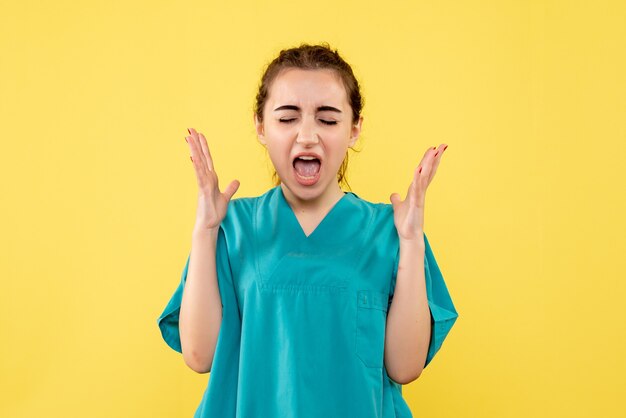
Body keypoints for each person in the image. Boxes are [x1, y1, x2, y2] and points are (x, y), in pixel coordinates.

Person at [157, 42, 459, 418]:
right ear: (260, 127)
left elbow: (405, 367)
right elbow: (200, 355)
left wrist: (412, 243)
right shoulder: (231, 228)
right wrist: (204, 230)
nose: (307, 135)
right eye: (287, 118)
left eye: (328, 120)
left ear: (354, 129)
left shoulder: (392, 232)